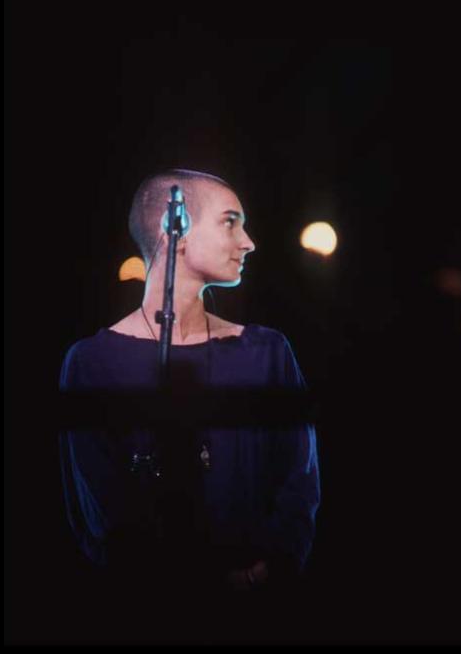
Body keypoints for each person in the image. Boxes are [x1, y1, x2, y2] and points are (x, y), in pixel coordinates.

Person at [58, 169, 320, 604]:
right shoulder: (91, 361)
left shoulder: (266, 351)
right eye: (230, 221)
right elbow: (98, 506)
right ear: (173, 228)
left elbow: (299, 480)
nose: (248, 241)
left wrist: (263, 574)